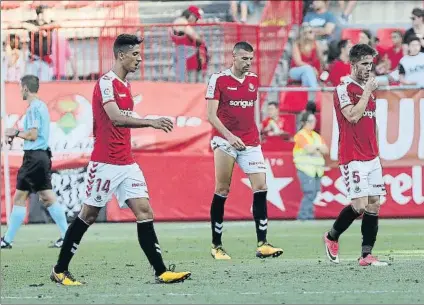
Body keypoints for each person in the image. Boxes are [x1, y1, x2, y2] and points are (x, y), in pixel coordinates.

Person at [49, 34, 191, 286]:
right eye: (135, 54)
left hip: (127, 163)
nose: (139, 59)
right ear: (121, 55)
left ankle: (161, 271)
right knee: (89, 215)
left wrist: (150, 118)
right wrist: (151, 121)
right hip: (105, 163)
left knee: (145, 211)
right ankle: (59, 270)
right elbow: (115, 117)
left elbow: (126, 116)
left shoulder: (126, 86)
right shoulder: (106, 83)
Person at [205, 41, 283, 260]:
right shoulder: (218, 79)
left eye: (251, 59)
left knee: (261, 186)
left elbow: (247, 113)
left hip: (250, 142)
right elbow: (211, 116)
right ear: (234, 57)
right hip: (224, 140)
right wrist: (230, 136)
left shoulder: (253, 80)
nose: (248, 63)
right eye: (244, 59)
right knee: (222, 189)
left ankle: (263, 243)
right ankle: (216, 245)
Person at [324, 44, 388, 266]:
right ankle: (331, 236)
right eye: (363, 64)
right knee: (359, 205)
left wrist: (377, 150)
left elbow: (373, 121)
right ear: (352, 64)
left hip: (372, 156)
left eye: (370, 64)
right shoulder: (343, 89)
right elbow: (352, 116)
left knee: (374, 203)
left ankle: (366, 255)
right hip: (352, 156)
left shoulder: (369, 89)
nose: (368, 68)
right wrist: (367, 91)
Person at [1, 75, 68, 249]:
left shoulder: (34, 109)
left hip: (34, 157)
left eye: (19, 88)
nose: (19, 91)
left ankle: (7, 240)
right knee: (46, 196)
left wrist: (14, 133)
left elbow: (32, 135)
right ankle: (66, 235)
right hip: (41, 156)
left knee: (20, 198)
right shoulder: (41, 106)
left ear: (25, 88)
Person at [293, 111, 328, 220]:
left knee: (314, 193)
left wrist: (315, 148)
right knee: (309, 192)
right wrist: (318, 148)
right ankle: (303, 217)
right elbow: (308, 149)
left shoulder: (316, 136)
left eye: (314, 121)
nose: (313, 123)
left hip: (317, 170)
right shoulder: (300, 135)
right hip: (305, 168)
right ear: (304, 122)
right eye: (310, 121)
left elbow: (326, 150)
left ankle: (309, 216)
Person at [170, 5, 208, 83]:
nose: (196, 21)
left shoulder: (183, 22)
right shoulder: (181, 21)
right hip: (185, 54)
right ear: (191, 15)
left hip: (187, 55)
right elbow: (195, 36)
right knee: (185, 82)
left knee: (188, 81)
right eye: (196, 18)